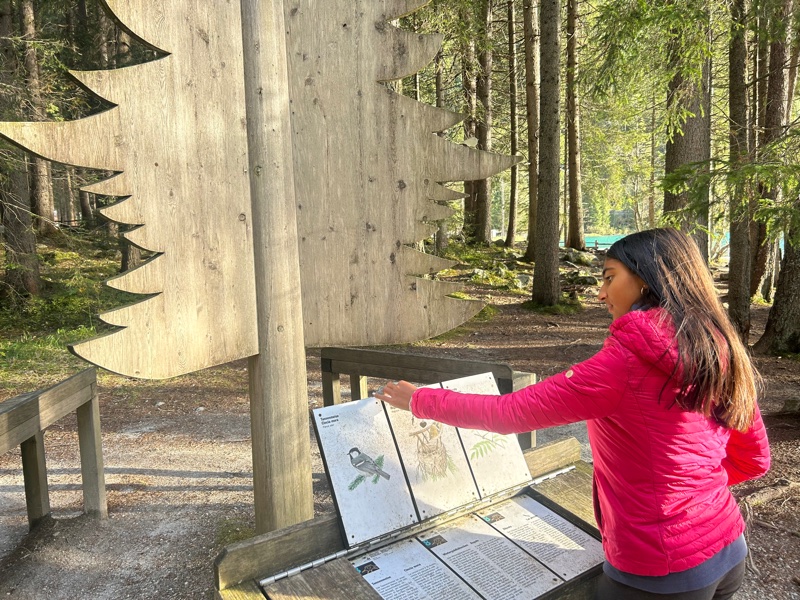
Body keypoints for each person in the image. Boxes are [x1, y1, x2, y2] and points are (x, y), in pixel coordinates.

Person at [375, 227, 770, 600]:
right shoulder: (721, 348)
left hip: (659, 570)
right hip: (728, 547)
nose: (601, 294)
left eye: (609, 277)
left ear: (646, 281)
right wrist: (685, 492)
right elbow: (755, 458)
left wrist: (419, 400)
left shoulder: (623, 364)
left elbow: (509, 413)